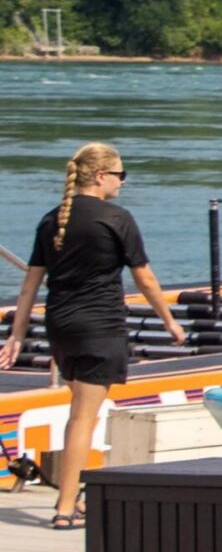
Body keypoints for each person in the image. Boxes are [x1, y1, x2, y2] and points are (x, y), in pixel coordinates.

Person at [0, 144, 186, 528]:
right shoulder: (117, 218)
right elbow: (145, 277)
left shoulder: (53, 219)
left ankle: (75, 497)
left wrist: (16, 335)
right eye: (120, 175)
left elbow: (30, 285)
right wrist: (169, 320)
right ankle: (66, 508)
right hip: (99, 326)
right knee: (82, 417)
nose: (123, 182)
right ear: (101, 176)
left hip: (61, 326)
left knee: (81, 411)